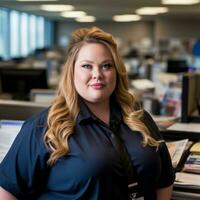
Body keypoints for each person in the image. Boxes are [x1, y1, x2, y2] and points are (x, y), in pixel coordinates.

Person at [0, 27, 175, 200]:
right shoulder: (43, 127)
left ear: (117, 72)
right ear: (72, 72)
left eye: (106, 66)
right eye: (86, 66)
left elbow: (164, 181)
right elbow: (7, 192)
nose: (97, 74)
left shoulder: (140, 119)